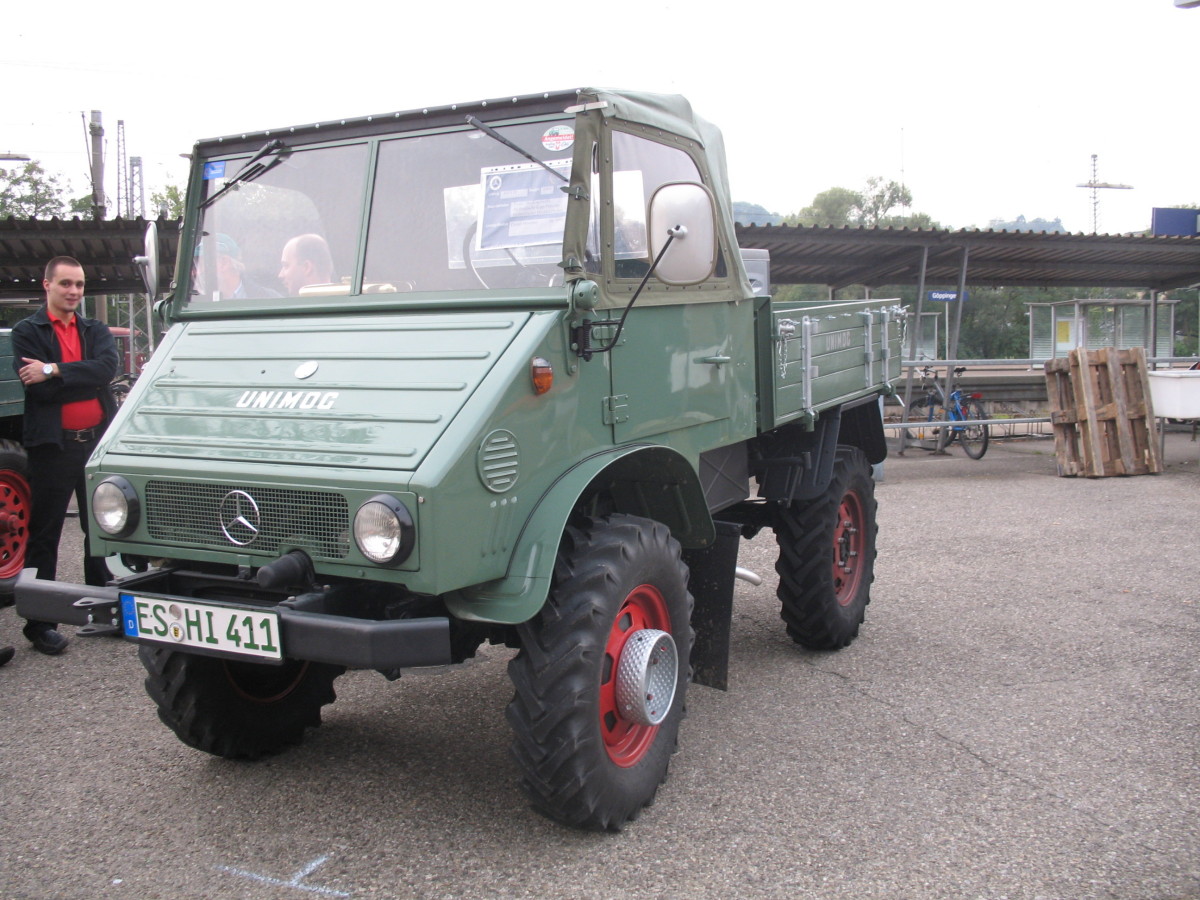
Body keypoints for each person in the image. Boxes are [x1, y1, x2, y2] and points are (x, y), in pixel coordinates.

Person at [11, 256, 119, 655]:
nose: (74, 291)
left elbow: (107, 369)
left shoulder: (95, 329)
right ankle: (40, 624)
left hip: (95, 444)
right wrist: (79, 375)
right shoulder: (28, 331)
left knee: (101, 531)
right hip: (53, 447)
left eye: (79, 284)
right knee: (45, 534)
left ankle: (101, 611)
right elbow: (39, 391)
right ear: (47, 285)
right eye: (66, 284)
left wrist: (54, 369)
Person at [197, 233, 280, 300]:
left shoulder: (270, 300)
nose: (197, 272)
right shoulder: (196, 304)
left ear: (224, 263)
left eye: (202, 265)